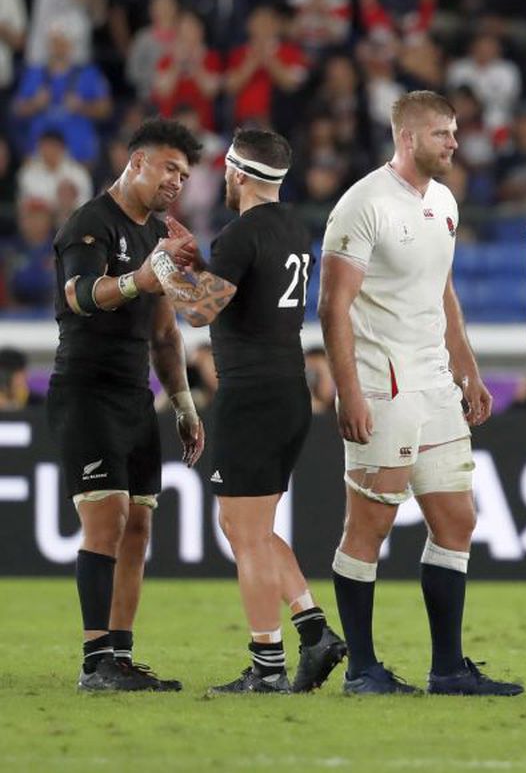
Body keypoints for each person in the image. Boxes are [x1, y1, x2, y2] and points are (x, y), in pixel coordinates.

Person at [319, 90, 522, 697]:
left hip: (435, 382)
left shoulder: (445, 201)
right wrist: (347, 391)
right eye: (442, 134)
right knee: (371, 525)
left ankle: (449, 669)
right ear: (407, 138)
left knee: (458, 519)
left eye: (455, 132)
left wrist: (468, 369)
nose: (454, 143)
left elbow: (443, 290)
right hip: (382, 383)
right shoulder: (363, 204)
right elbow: (333, 306)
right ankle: (362, 669)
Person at [150, 128, 347, 693]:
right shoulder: (292, 226)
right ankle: (314, 631)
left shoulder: (242, 232)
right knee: (246, 527)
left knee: (247, 533)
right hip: (287, 390)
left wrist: (167, 267)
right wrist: (195, 263)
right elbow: (240, 295)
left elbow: (198, 313)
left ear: (237, 175)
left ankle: (267, 666)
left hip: (251, 395)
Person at [50, 118, 204, 691]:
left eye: (185, 175)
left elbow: (167, 333)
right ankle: (94, 663)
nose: (177, 181)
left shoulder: (159, 232)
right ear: (136, 161)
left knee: (138, 523)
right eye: (169, 168)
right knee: (107, 517)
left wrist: (185, 404)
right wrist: (144, 276)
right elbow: (80, 296)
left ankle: (118, 655)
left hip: (136, 396)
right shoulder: (89, 224)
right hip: (86, 390)